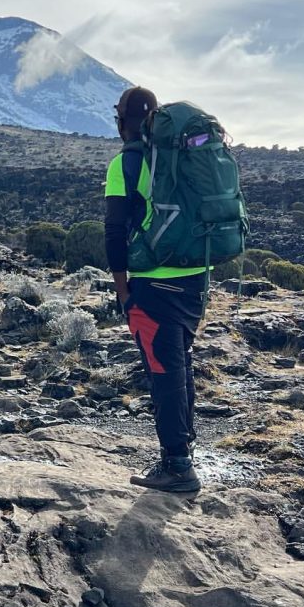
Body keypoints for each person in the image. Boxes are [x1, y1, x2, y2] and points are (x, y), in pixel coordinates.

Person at [104, 86, 204, 494]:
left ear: (120, 122)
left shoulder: (124, 164)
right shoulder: (182, 158)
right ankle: (183, 453)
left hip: (153, 281)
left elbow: (113, 231)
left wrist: (122, 288)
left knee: (163, 372)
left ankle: (178, 466)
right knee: (179, 363)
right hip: (196, 276)